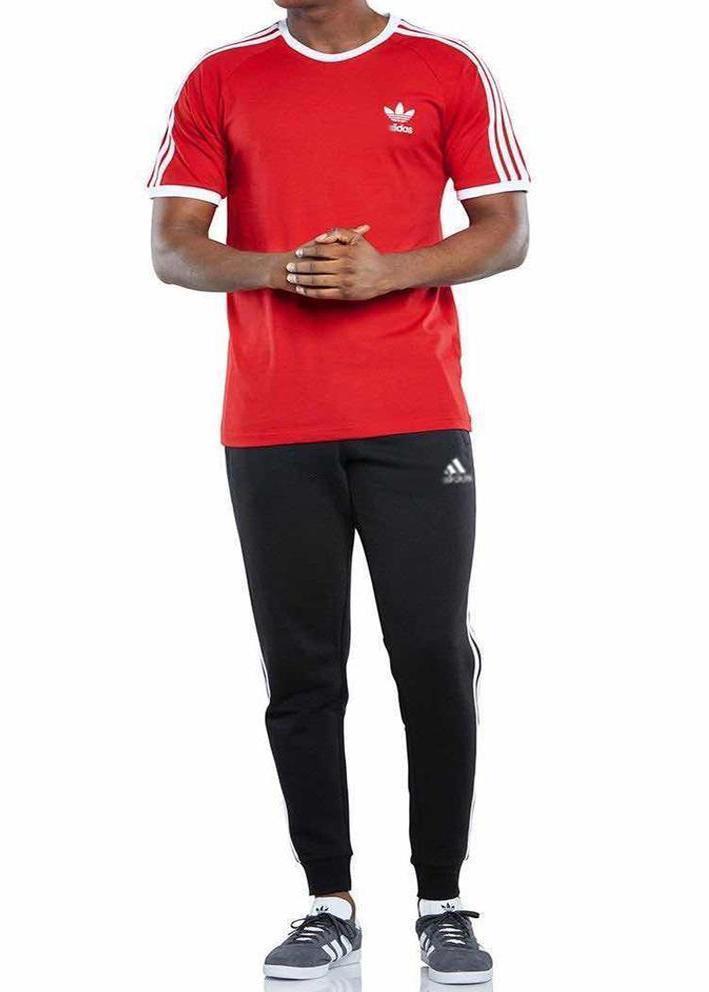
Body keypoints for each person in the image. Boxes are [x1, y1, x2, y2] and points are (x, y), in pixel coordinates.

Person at [148, 1, 529, 983]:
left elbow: (505, 231)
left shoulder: (444, 67)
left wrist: (389, 271)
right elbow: (173, 247)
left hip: (417, 416)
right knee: (301, 669)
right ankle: (329, 902)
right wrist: (282, 267)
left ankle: (442, 900)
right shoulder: (221, 77)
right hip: (271, 421)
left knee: (431, 654)